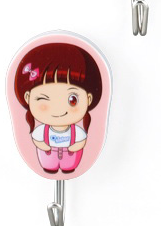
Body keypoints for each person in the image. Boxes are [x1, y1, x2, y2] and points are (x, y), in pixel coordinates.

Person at [14, 43, 103, 174]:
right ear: (27, 98)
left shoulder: (76, 132)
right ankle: (50, 168)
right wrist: (43, 146)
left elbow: (81, 141)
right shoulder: (41, 131)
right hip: (47, 156)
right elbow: (37, 140)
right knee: (49, 167)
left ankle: (68, 168)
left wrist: (75, 147)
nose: (58, 110)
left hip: (71, 157)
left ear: (88, 99)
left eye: (72, 100)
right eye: (43, 99)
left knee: (69, 167)